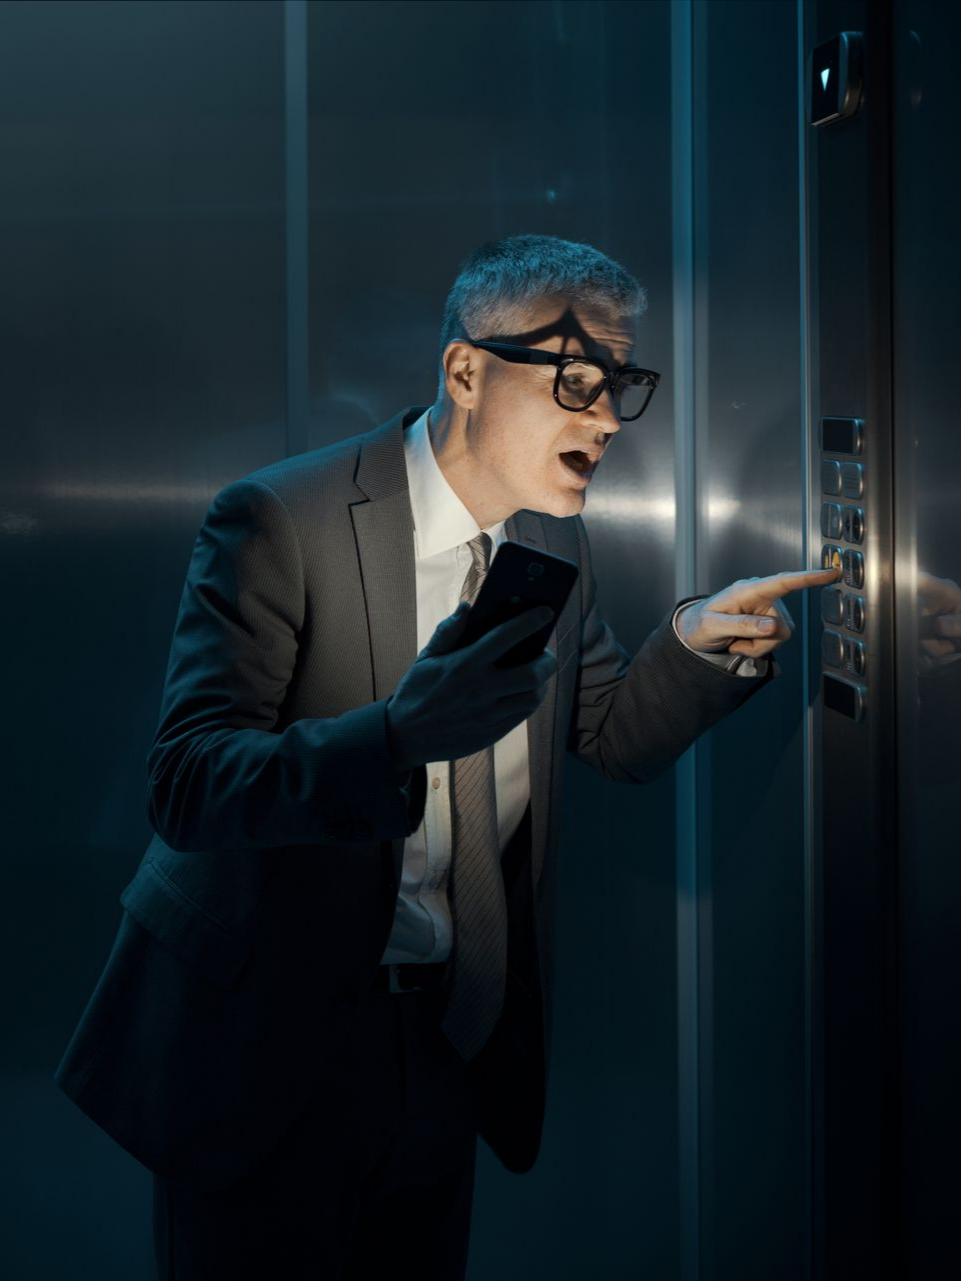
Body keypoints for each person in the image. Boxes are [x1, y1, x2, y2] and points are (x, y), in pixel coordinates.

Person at [54, 233, 838, 1279]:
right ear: (466, 373)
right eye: (574, 382)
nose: (605, 418)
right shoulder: (281, 519)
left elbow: (603, 732)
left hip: (445, 1038)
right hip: (259, 1044)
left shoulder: (555, 542)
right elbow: (188, 785)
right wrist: (398, 737)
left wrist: (692, 647)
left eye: (620, 385)